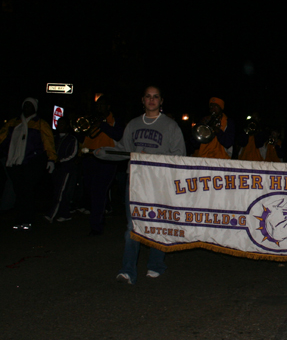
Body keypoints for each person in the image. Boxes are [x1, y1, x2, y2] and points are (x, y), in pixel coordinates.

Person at [95, 86, 186, 285]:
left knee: (157, 223)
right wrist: (103, 152)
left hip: (159, 181)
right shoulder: (133, 124)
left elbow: (179, 156)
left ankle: (156, 265)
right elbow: (123, 150)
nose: (152, 100)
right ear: (142, 100)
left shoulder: (171, 126)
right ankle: (128, 271)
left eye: (156, 97)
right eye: (148, 96)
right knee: (132, 226)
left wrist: (153, 158)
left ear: (161, 101)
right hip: (135, 181)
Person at [0, 97, 57, 230]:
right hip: (15, 161)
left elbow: (48, 142)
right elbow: (1, 139)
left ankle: (27, 218)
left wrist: (51, 159)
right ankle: (20, 218)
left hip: (33, 161)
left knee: (27, 188)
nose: (27, 108)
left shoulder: (40, 124)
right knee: (19, 190)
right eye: (25, 105)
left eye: (30, 105)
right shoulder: (13, 123)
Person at [80, 95, 125, 235]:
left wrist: (103, 125)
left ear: (108, 107)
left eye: (102, 105)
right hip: (89, 157)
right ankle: (102, 212)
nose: (99, 107)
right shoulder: (91, 119)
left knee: (98, 191)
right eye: (98, 105)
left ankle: (96, 225)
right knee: (90, 189)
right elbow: (83, 136)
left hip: (107, 159)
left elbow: (118, 135)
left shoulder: (116, 120)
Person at [45, 116, 78, 223]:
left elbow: (73, 154)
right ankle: (65, 213)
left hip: (65, 169)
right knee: (58, 191)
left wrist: (60, 161)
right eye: (58, 124)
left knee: (60, 191)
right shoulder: (54, 138)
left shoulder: (72, 139)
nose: (60, 126)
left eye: (62, 124)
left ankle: (51, 214)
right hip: (54, 168)